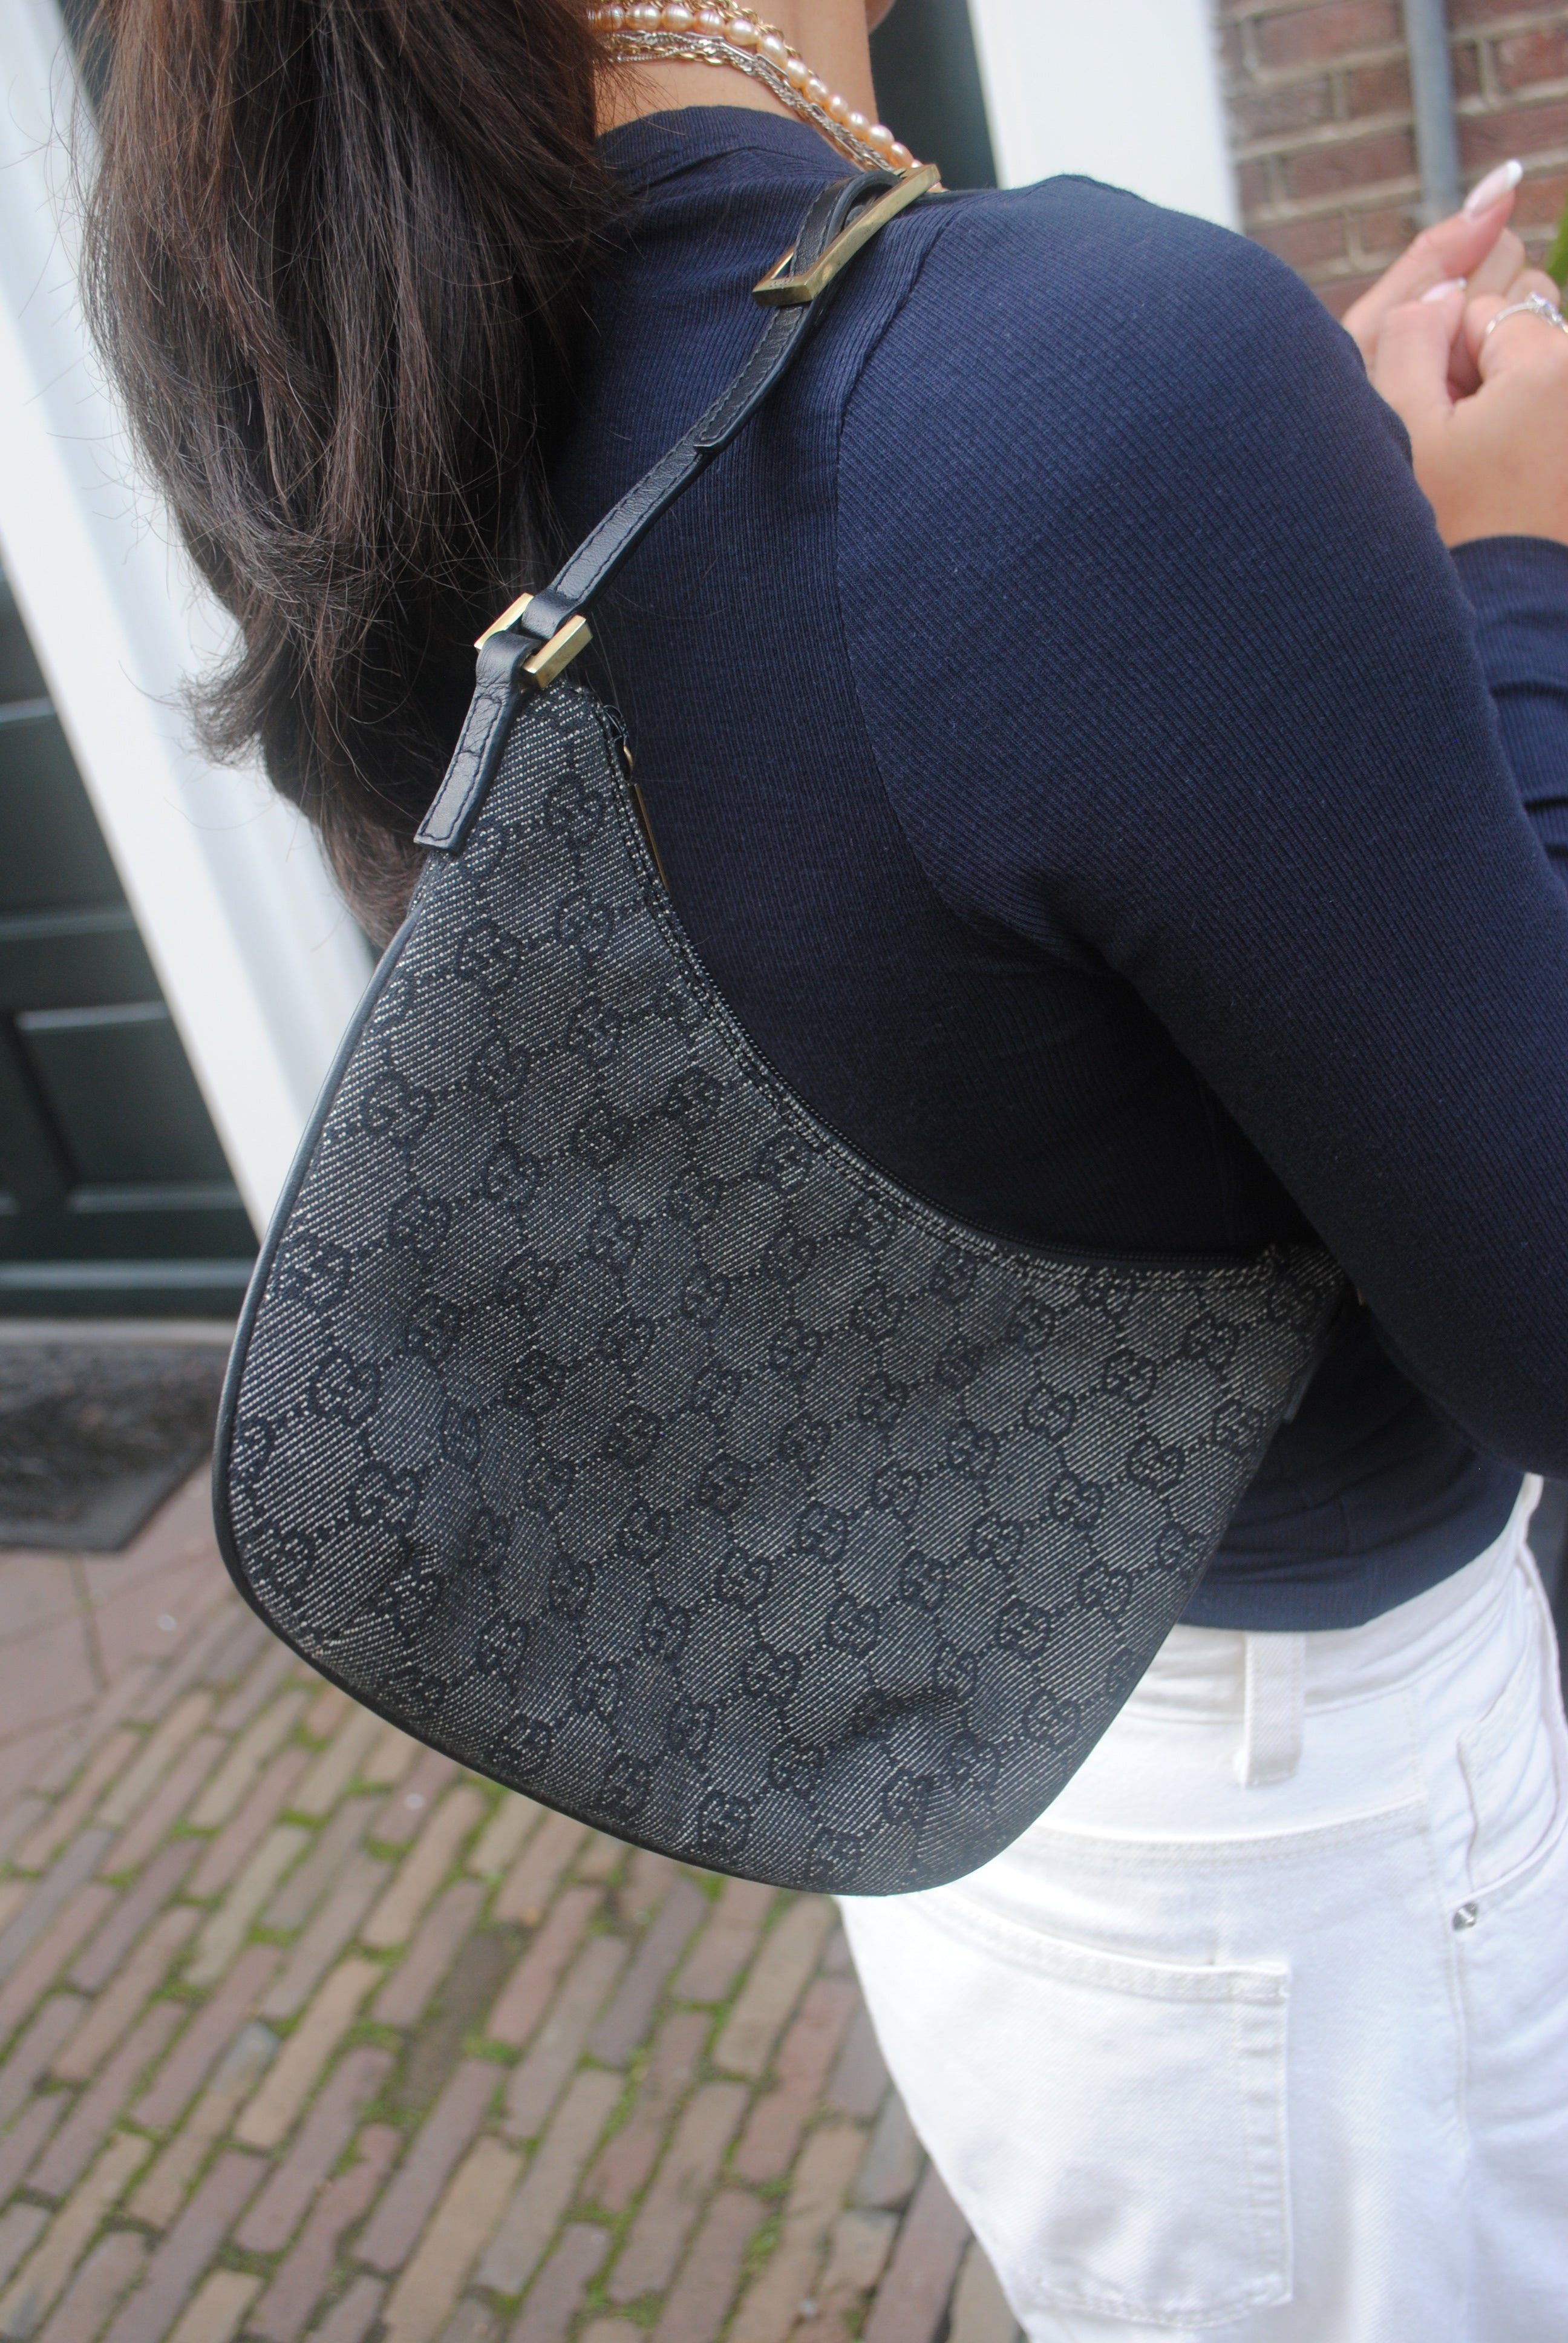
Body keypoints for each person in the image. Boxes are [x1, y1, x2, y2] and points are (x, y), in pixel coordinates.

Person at [83, 3, 1568, 2335]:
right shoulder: (1092, 380)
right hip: (1309, 1871)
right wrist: (1508, 567)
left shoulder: (382, 378)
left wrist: (1309, 529)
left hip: (961, 1776)